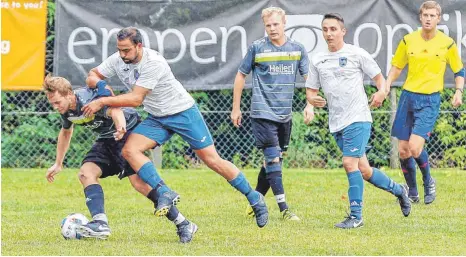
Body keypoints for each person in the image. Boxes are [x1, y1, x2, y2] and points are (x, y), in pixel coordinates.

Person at [81, 27, 269, 228]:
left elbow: (136, 99)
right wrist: (101, 87)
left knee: (212, 160)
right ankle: (164, 192)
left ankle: (255, 198)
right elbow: (93, 74)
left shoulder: (153, 62)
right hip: (158, 117)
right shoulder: (118, 59)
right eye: (119, 50)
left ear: (139, 46)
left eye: (126, 50)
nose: (122, 54)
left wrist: (102, 102)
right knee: (129, 150)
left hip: (183, 113)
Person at [44, 74, 197, 243]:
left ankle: (184, 223)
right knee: (86, 173)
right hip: (107, 138)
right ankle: (100, 223)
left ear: (69, 95)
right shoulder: (67, 110)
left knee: (140, 184)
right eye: (52, 104)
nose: (55, 107)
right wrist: (58, 163)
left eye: (57, 102)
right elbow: (66, 132)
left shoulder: (86, 101)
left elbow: (114, 109)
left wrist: (120, 127)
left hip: (126, 132)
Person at [305, 13, 412, 229]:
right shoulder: (317, 59)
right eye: (325, 29)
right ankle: (400, 190)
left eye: (333, 29)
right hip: (336, 121)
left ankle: (356, 216)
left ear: (343, 31)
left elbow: (380, 80)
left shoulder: (356, 53)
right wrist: (311, 101)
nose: (329, 33)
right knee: (364, 169)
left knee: (349, 163)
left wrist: (381, 93)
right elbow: (310, 91)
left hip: (358, 117)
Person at [231, 6, 312, 221]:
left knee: (272, 162)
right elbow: (240, 76)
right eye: (268, 25)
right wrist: (236, 108)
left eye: (276, 24)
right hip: (261, 113)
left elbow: (309, 80)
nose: (272, 29)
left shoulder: (297, 49)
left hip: (284, 115)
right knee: (273, 159)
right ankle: (284, 209)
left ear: (284, 23)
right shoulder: (257, 48)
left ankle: (256, 199)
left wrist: (310, 104)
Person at [386, 0, 464, 204]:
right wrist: (386, 85)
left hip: (430, 100)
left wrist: (458, 91)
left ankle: (429, 180)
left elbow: (459, 70)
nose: (428, 19)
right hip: (407, 97)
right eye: (425, 15)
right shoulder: (408, 40)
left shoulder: (447, 43)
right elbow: (397, 66)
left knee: (414, 147)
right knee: (403, 150)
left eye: (432, 15)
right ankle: (412, 192)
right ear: (420, 17)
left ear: (438, 18)